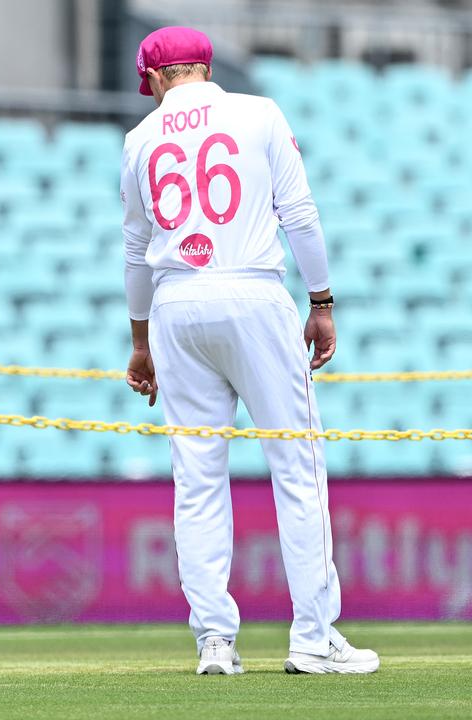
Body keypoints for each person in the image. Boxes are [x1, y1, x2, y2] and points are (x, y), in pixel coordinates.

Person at [120, 27, 379, 675]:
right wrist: (321, 301)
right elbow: (300, 214)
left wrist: (140, 341)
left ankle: (214, 639)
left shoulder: (139, 140)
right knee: (297, 467)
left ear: (154, 78)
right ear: (205, 67)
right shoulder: (258, 112)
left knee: (197, 478)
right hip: (254, 293)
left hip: (176, 304)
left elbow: (133, 251)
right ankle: (314, 636)